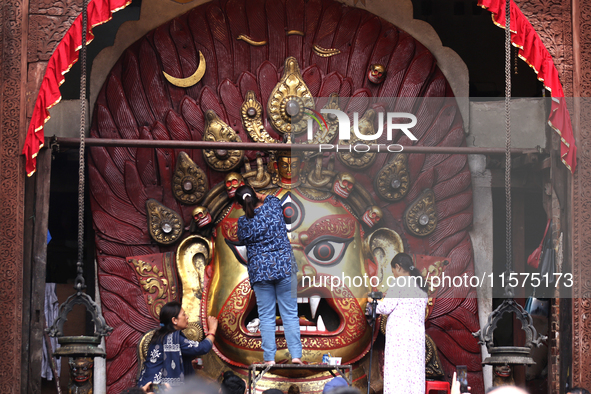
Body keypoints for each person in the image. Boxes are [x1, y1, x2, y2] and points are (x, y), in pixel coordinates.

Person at [235, 184, 302, 365]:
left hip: (260, 272)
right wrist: (256, 194)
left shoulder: (243, 222)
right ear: (254, 196)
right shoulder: (273, 207)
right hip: (284, 267)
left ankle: (269, 359)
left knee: (266, 316)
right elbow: (270, 197)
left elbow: (241, 239)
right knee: (290, 313)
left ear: (240, 204)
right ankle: (296, 356)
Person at [367, 253, 427, 394]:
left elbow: (387, 307)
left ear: (398, 267)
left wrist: (372, 303)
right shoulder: (421, 285)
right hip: (416, 338)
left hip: (400, 337)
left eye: (393, 270)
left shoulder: (399, 282)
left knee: (397, 373)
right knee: (414, 373)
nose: (393, 274)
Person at [137, 301, 218, 388]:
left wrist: (188, 364)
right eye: (183, 315)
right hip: (158, 389)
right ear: (174, 320)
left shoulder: (160, 335)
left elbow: (163, 361)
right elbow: (203, 348)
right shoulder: (175, 338)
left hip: (146, 385)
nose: (187, 317)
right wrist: (212, 329)